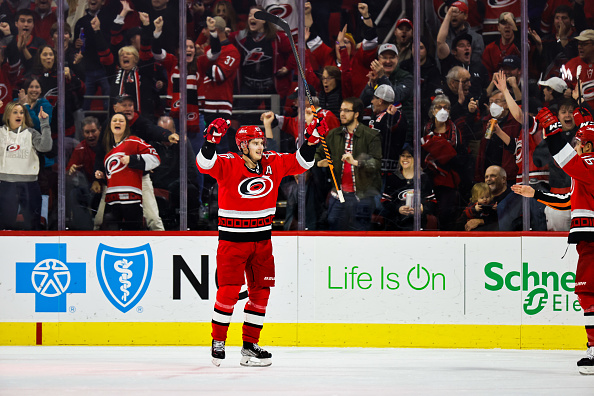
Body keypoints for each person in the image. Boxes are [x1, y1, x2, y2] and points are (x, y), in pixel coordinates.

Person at [196, 114, 327, 367]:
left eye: (261, 142)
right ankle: (218, 341)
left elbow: (302, 163)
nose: (261, 146)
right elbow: (204, 164)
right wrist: (210, 141)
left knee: (261, 294)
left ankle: (249, 347)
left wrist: (311, 141)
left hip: (263, 242)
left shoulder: (273, 162)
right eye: (255, 143)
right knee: (229, 292)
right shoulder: (229, 163)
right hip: (233, 242)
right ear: (243, 146)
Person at [526, 105, 594, 374]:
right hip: (588, 240)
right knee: (588, 294)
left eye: (578, 141)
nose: (575, 145)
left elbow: (566, 160)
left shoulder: (589, 163)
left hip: (592, 240)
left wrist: (553, 131)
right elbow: (567, 201)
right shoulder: (584, 173)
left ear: (588, 145)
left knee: (588, 294)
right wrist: (536, 195)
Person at [315, 97, 381, 231]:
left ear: (356, 114)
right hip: (339, 194)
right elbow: (318, 154)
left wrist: (356, 162)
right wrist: (319, 162)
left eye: (347, 111)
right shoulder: (334, 135)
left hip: (362, 196)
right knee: (334, 228)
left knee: (360, 233)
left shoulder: (371, 135)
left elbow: (376, 163)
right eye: (341, 110)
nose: (342, 114)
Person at [94, 113, 160, 230]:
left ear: (126, 126)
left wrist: (133, 159)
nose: (117, 123)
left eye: (121, 121)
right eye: (114, 120)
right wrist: (102, 175)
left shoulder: (134, 141)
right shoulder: (108, 153)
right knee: (109, 236)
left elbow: (155, 159)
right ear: (109, 125)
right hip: (113, 202)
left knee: (134, 235)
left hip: (132, 200)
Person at [0, 101, 51, 230]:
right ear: (7, 115)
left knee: (33, 225)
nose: (19, 115)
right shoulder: (1, 132)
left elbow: (45, 147)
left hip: (29, 185)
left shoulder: (31, 133)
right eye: (15, 112)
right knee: (5, 225)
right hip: (6, 184)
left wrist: (44, 123)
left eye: (22, 112)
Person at [422, 94, 466, 230]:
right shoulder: (425, 129)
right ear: (432, 110)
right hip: (429, 178)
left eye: (446, 108)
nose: (442, 110)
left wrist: (443, 152)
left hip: (448, 179)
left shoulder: (455, 131)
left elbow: (460, 157)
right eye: (439, 107)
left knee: (446, 213)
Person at [380, 144, 436, 231]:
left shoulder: (423, 178)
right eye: (403, 156)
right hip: (396, 225)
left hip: (418, 225)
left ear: (416, 159)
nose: (405, 159)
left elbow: (432, 202)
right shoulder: (393, 178)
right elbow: (385, 201)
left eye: (409, 156)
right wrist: (398, 209)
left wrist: (422, 209)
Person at [66, 116, 102, 230]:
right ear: (82, 133)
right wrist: (71, 171)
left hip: (107, 188)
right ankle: (83, 230)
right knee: (74, 193)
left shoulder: (107, 145)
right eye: (87, 132)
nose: (90, 135)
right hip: (90, 190)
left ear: (100, 130)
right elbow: (69, 172)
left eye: (93, 131)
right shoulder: (80, 147)